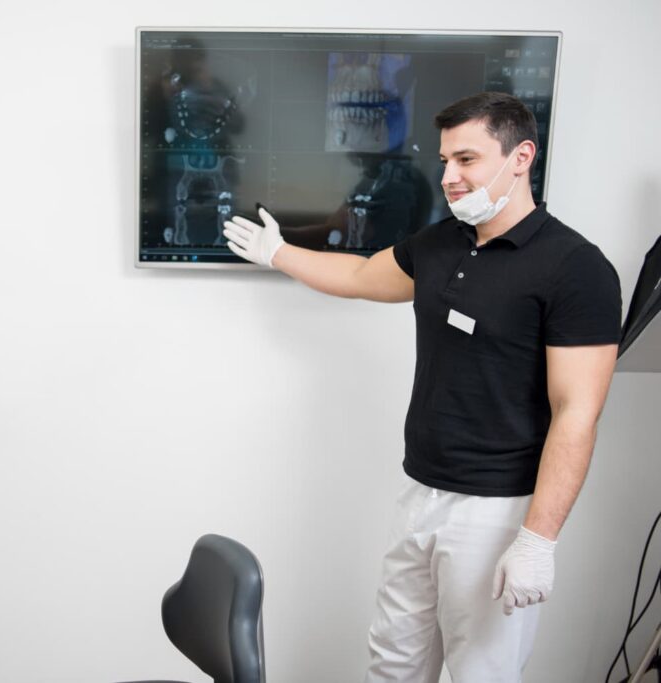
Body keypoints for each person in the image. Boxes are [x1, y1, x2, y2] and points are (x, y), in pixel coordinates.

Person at [223, 91, 622, 681]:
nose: (449, 178)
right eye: (444, 161)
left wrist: (538, 539)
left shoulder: (576, 267)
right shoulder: (441, 243)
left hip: (497, 508)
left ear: (521, 157)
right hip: (420, 492)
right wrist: (279, 252)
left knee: (481, 672)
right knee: (393, 663)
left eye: (467, 160)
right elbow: (360, 275)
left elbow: (577, 412)